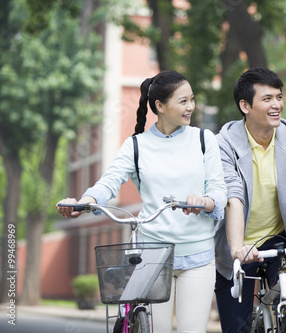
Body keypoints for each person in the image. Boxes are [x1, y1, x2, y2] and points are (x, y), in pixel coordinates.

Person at [56, 70, 227, 333]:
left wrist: (206, 201)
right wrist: (84, 201)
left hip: (198, 257)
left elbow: (218, 190)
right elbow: (109, 181)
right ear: (160, 106)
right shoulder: (136, 146)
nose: (191, 106)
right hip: (153, 258)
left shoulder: (205, 140)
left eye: (192, 99)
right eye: (183, 101)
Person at [214, 67, 286, 332]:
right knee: (236, 328)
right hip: (238, 244)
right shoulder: (223, 143)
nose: (277, 104)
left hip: (280, 239)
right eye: (267, 99)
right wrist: (237, 248)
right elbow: (233, 197)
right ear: (245, 105)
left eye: (279, 96)